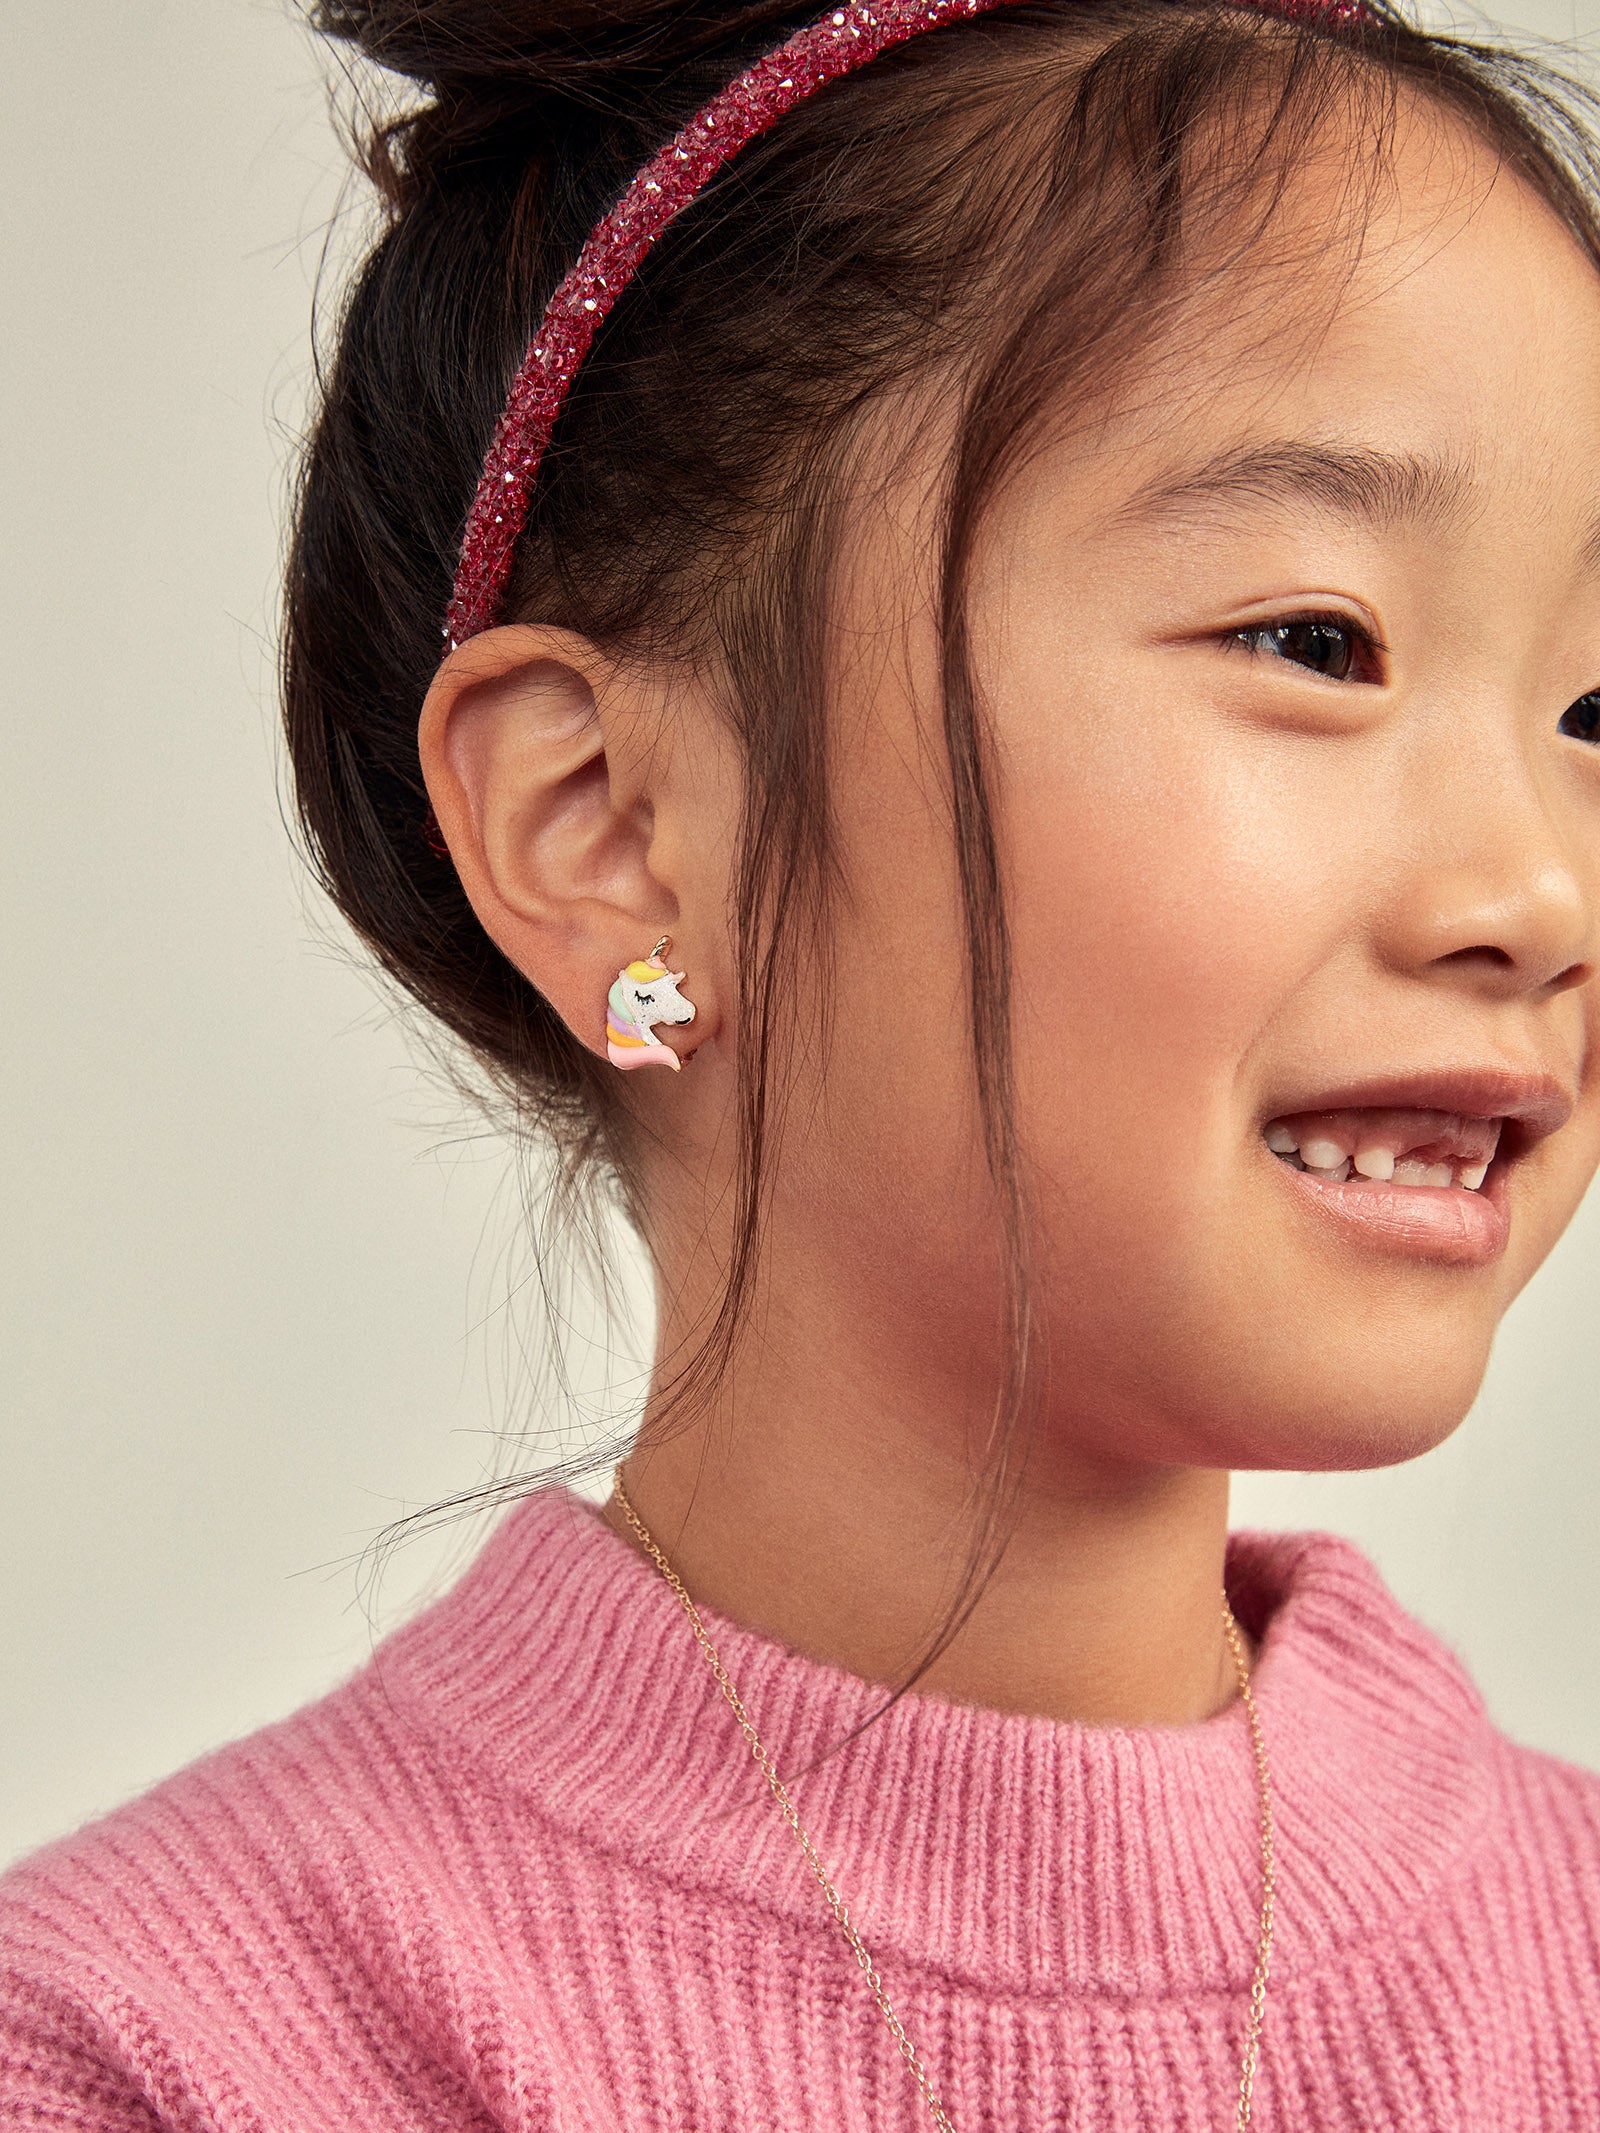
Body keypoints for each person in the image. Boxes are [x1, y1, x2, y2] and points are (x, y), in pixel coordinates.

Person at [6, 0, 1600, 2122]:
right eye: (1315, 640)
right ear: (608, 828)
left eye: (1592, 715)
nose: (1537, 893)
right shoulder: (158, 2054)